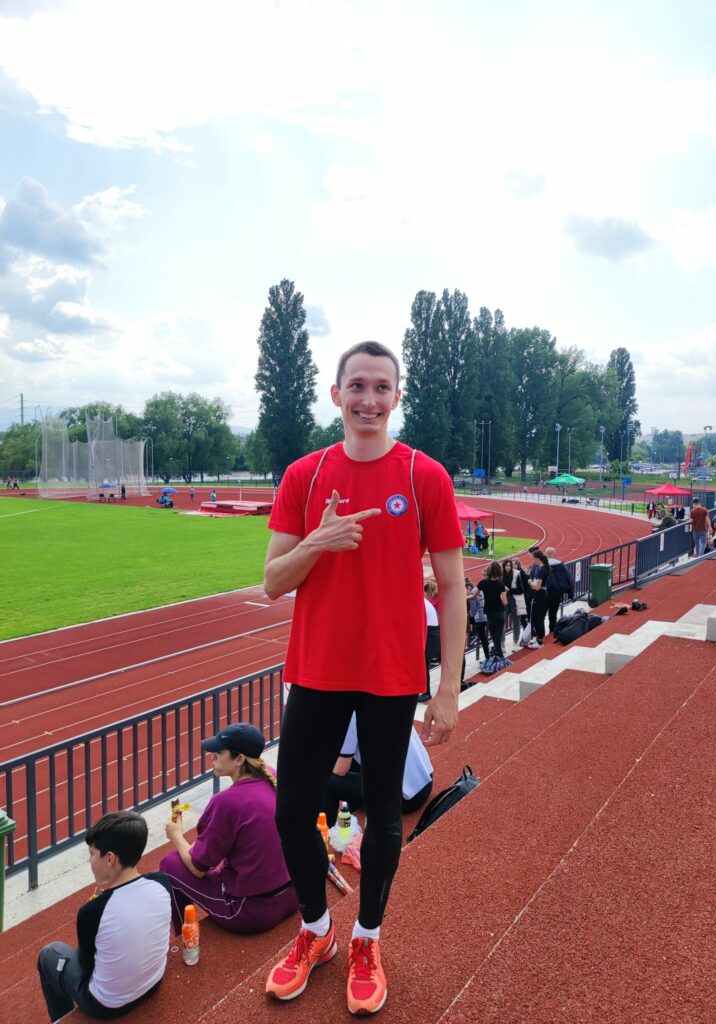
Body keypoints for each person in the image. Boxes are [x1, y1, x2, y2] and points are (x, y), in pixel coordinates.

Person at [262, 340, 465, 1014]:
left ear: (396, 396)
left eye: (381, 387)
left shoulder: (424, 476)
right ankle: (317, 930)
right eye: (357, 386)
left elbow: (453, 587)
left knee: (383, 815)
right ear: (336, 395)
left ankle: (366, 940)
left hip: (389, 674)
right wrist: (318, 542)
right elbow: (272, 582)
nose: (369, 399)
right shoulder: (306, 474)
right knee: (292, 811)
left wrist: (448, 687)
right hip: (317, 668)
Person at [160, 723, 297, 935]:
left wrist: (176, 835)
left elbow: (198, 868)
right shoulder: (273, 776)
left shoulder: (226, 802)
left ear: (239, 759)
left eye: (219, 752)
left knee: (170, 863)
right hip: (294, 896)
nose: (212, 756)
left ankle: (183, 937)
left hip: (250, 912)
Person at [37, 812, 171, 1022]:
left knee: (49, 954)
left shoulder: (92, 911)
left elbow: (86, 966)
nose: (90, 861)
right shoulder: (161, 882)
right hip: (154, 983)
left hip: (105, 1006)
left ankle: (61, 1020)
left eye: (92, 854)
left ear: (109, 859)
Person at [323, 713, 433, 826]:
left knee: (322, 779)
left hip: (405, 799)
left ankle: (325, 830)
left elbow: (340, 770)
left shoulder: (347, 716)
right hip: (427, 780)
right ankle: (353, 803)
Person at [472, 560, 507, 658]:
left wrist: (464, 598)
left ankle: (499, 658)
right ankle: (499, 658)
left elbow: (474, 596)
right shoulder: (501, 584)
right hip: (500, 613)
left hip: (490, 614)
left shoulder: (482, 583)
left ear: (489, 571)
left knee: (494, 638)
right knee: (497, 638)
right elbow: (505, 602)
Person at [544, 547, 575, 633]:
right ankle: (552, 632)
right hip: (556, 593)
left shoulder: (541, 565)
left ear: (545, 555)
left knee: (541, 615)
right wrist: (571, 594)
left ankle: (540, 634)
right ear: (554, 554)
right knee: (553, 614)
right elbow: (569, 578)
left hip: (543, 592)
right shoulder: (561, 565)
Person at [527, 549, 550, 649]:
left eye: (534, 559)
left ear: (538, 559)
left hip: (540, 596)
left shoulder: (542, 570)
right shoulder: (544, 568)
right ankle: (538, 639)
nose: (533, 561)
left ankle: (540, 641)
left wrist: (530, 582)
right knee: (537, 618)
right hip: (540, 595)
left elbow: (537, 587)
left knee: (538, 619)